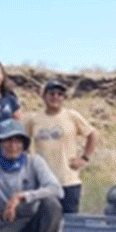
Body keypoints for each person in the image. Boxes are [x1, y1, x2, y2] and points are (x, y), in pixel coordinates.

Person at [25, 80, 97, 215]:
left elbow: (93, 134)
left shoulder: (72, 116)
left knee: (69, 225)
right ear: (44, 96)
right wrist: (30, 160)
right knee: (45, 224)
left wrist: (85, 158)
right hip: (44, 183)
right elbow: (24, 141)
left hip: (68, 181)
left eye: (60, 94)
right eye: (51, 93)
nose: (55, 97)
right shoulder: (33, 119)